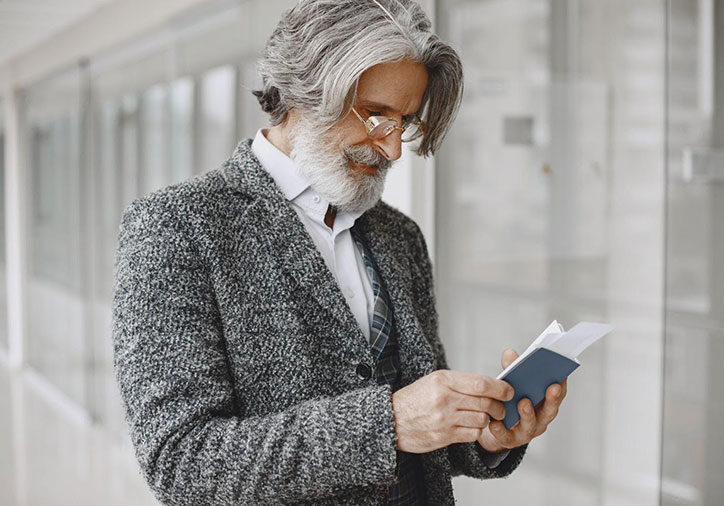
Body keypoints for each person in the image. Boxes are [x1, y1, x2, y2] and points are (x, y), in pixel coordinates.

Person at [111, 0, 568, 504]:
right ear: (305, 89)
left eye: (405, 122)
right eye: (376, 116)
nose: (393, 149)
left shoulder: (400, 236)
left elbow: (423, 431)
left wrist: (484, 435)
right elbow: (181, 461)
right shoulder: (177, 227)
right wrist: (386, 424)